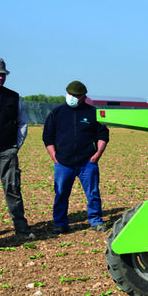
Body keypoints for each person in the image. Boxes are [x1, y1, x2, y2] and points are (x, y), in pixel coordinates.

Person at [42, 81, 109, 234]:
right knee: (61, 194)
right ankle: (60, 223)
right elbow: (48, 136)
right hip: (63, 163)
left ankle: (96, 221)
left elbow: (103, 134)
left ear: (83, 97)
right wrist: (54, 156)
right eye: (70, 94)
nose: (72, 97)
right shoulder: (56, 113)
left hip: (87, 162)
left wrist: (97, 154)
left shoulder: (93, 113)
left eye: (76, 95)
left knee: (93, 193)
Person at [0, 58, 34, 238]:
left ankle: (21, 227)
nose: (0, 78)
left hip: (7, 151)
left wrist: (16, 145)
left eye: (2, 75)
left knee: (12, 187)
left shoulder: (12, 96)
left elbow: (22, 123)